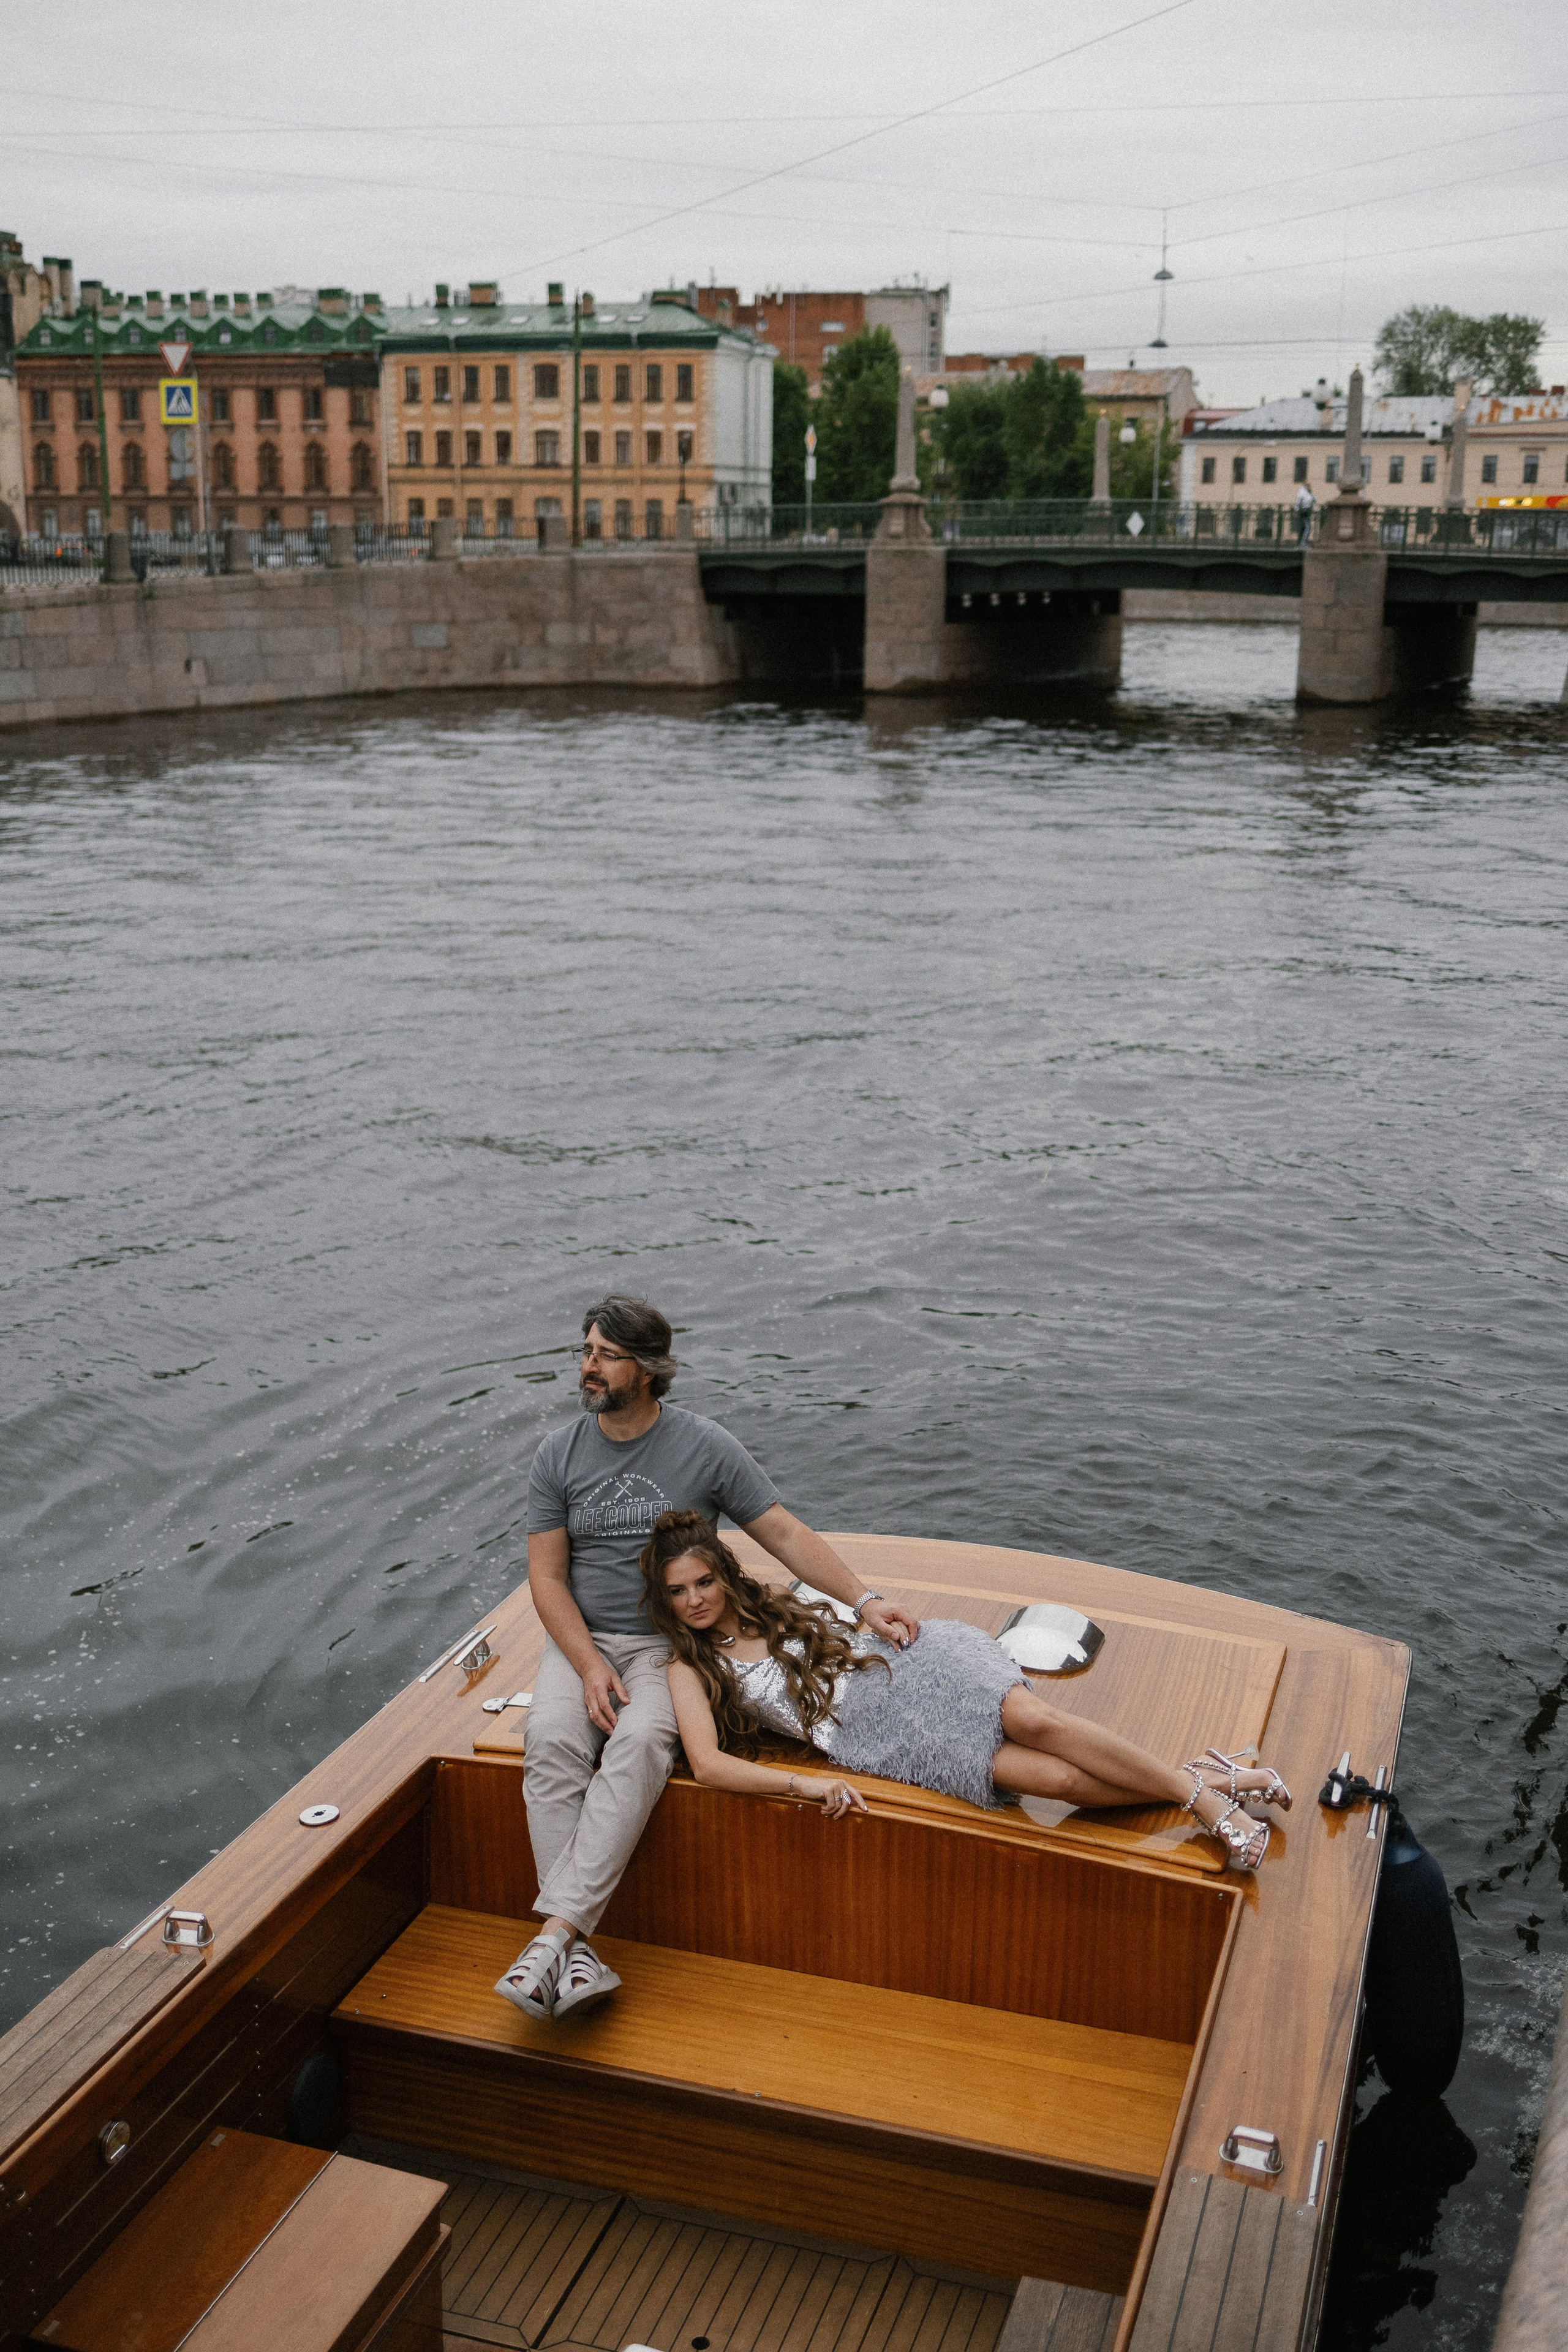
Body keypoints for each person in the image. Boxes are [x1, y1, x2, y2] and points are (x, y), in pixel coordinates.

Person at [496, 1297, 922, 2024]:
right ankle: (570, 1952)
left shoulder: (706, 1446)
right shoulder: (558, 1455)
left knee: (639, 1747)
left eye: (604, 1354)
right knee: (550, 1742)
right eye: (586, 1350)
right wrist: (589, 1665)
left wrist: (864, 1598)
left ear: (649, 1370)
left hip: (672, 1649)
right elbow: (545, 1580)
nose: (586, 1366)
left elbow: (782, 1530)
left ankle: (554, 1939)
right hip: (582, 1642)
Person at [644, 1510, 1289, 1867]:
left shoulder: (779, 1599)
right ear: (663, 1601)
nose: (694, 1599)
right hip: (882, 1735)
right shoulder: (691, 1669)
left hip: (916, 1662)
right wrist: (805, 1784)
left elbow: (850, 1605)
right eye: (677, 1591)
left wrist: (872, 1605)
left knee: (1037, 1722)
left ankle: (1198, 1798)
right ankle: (1214, 1781)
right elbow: (709, 1766)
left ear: (723, 1574)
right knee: (1058, 1785)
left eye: (702, 1581)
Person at [1294, 480, 1316, 545]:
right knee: (1307, 527)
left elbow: (1313, 500)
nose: (1309, 487)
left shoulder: (1307, 492)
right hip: (1303, 511)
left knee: (1304, 527)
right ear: (1305, 486)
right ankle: (1302, 543)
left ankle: (1302, 542)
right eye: (1308, 485)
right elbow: (1298, 502)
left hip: (1306, 511)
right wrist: (1296, 510)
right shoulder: (1302, 493)